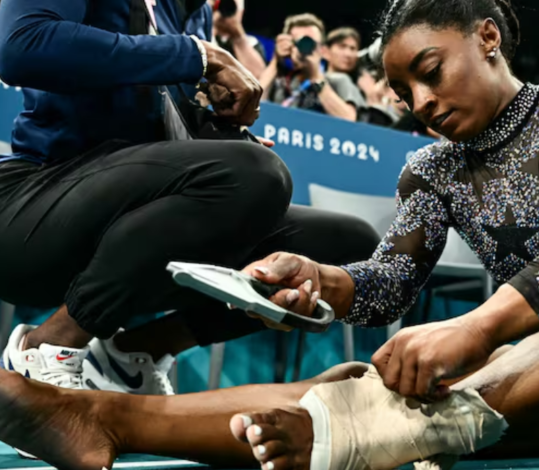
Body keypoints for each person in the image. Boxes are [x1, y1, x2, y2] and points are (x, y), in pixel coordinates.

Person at [0, 0, 539, 469]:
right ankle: (101, 416)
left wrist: (481, 326)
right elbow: (385, 287)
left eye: (431, 73)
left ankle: (380, 435)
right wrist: (321, 279)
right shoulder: (430, 168)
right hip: (527, 390)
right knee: (354, 380)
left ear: (489, 37)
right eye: (406, 92)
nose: (422, 103)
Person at [0, 0, 379, 398]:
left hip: (132, 233)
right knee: (254, 173)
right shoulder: (194, 36)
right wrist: (199, 55)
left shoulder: (187, 12)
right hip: (34, 205)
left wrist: (219, 133)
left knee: (345, 245)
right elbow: (20, 44)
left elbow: (152, 129)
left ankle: (132, 354)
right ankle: (49, 345)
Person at [259, 14, 366, 121]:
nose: (305, 47)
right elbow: (253, 105)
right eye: (299, 42)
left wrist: (316, 76)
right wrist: (276, 60)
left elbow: (349, 119)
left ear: (322, 50)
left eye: (310, 43)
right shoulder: (282, 83)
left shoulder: (338, 81)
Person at [208, 0, 268, 79]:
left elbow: (258, 81)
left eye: (231, 6)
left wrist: (238, 37)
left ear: (241, 12)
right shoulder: (202, 33)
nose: (225, 10)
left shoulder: (251, 42)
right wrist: (210, 25)